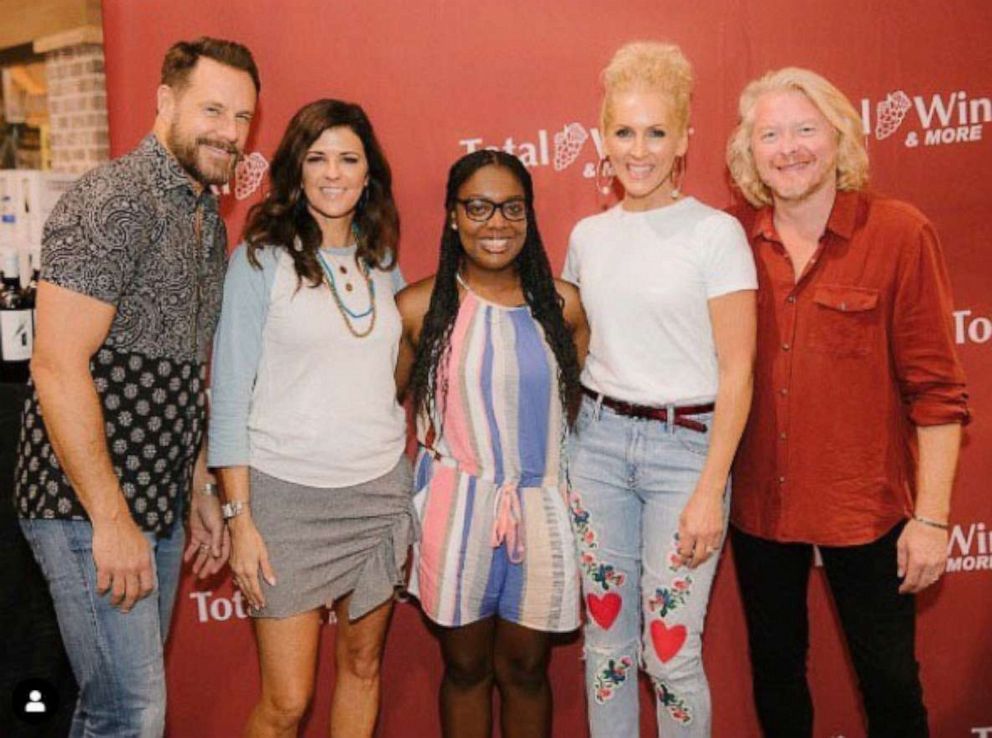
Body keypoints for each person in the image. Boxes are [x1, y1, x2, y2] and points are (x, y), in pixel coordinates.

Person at [14, 37, 259, 736]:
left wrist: (198, 488)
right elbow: (57, 366)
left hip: (152, 501)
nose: (230, 133)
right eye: (213, 109)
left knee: (116, 710)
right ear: (165, 102)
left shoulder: (204, 219)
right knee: (131, 713)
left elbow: (178, 374)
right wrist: (110, 521)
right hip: (84, 505)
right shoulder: (112, 200)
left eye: (243, 118)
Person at [725, 67, 970, 738]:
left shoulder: (899, 233)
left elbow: (939, 392)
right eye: (770, 134)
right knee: (776, 679)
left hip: (866, 509)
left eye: (806, 129)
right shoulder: (727, 241)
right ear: (749, 152)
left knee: (890, 685)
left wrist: (933, 520)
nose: (790, 148)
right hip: (758, 507)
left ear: (841, 138)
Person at [562, 41, 757, 737]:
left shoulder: (716, 234)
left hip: (687, 454)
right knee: (606, 649)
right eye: (623, 131)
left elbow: (738, 370)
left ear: (683, 142)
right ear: (600, 139)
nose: (637, 150)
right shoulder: (587, 237)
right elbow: (579, 349)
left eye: (655, 132)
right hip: (599, 451)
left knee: (671, 657)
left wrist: (710, 487)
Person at [208, 98, 416, 738]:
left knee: (362, 665)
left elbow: (392, 378)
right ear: (296, 171)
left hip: (378, 493)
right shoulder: (258, 259)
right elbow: (230, 394)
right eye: (317, 158)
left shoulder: (383, 264)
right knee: (286, 703)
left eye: (348, 159)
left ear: (368, 173)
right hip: (284, 502)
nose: (333, 173)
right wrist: (240, 521)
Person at [396, 149, 588, 738]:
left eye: (511, 208)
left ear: (529, 216)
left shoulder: (564, 305)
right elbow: (383, 408)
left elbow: (576, 411)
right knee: (466, 667)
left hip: (540, 506)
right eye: (477, 207)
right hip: (456, 508)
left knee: (528, 669)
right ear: (453, 216)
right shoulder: (418, 307)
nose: (495, 223)